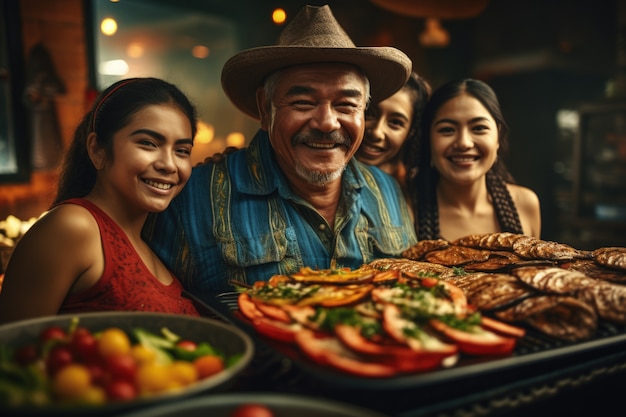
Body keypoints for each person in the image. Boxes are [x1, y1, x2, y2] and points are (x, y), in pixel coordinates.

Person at [143, 5, 417, 298]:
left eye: (347, 105)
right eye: (302, 102)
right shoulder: (193, 197)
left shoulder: (388, 190)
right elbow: (160, 316)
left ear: (363, 111)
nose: (326, 123)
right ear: (265, 108)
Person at [0, 77, 200, 324]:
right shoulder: (73, 226)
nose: (169, 165)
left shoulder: (150, 244)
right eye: (148, 143)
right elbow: (13, 350)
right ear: (97, 150)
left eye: (182, 151)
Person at [406, 78, 541, 242]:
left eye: (479, 128)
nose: (464, 143)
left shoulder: (525, 205)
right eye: (447, 130)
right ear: (428, 139)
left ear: (498, 136)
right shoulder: (405, 209)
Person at [355, 72, 431, 203]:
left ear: (411, 132)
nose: (376, 133)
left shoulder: (413, 193)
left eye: (395, 122)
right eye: (369, 114)